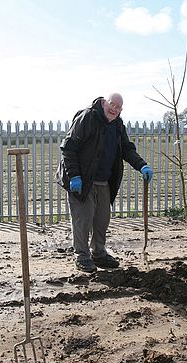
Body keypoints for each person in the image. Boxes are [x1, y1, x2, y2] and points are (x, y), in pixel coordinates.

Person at [57, 93, 153, 273]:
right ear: (103, 103)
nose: (115, 109)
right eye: (112, 105)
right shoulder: (87, 117)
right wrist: (74, 176)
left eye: (119, 107)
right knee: (83, 219)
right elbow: (69, 147)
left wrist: (142, 166)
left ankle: (99, 253)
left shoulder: (117, 124)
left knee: (102, 220)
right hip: (81, 179)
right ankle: (82, 256)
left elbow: (126, 148)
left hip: (103, 180)